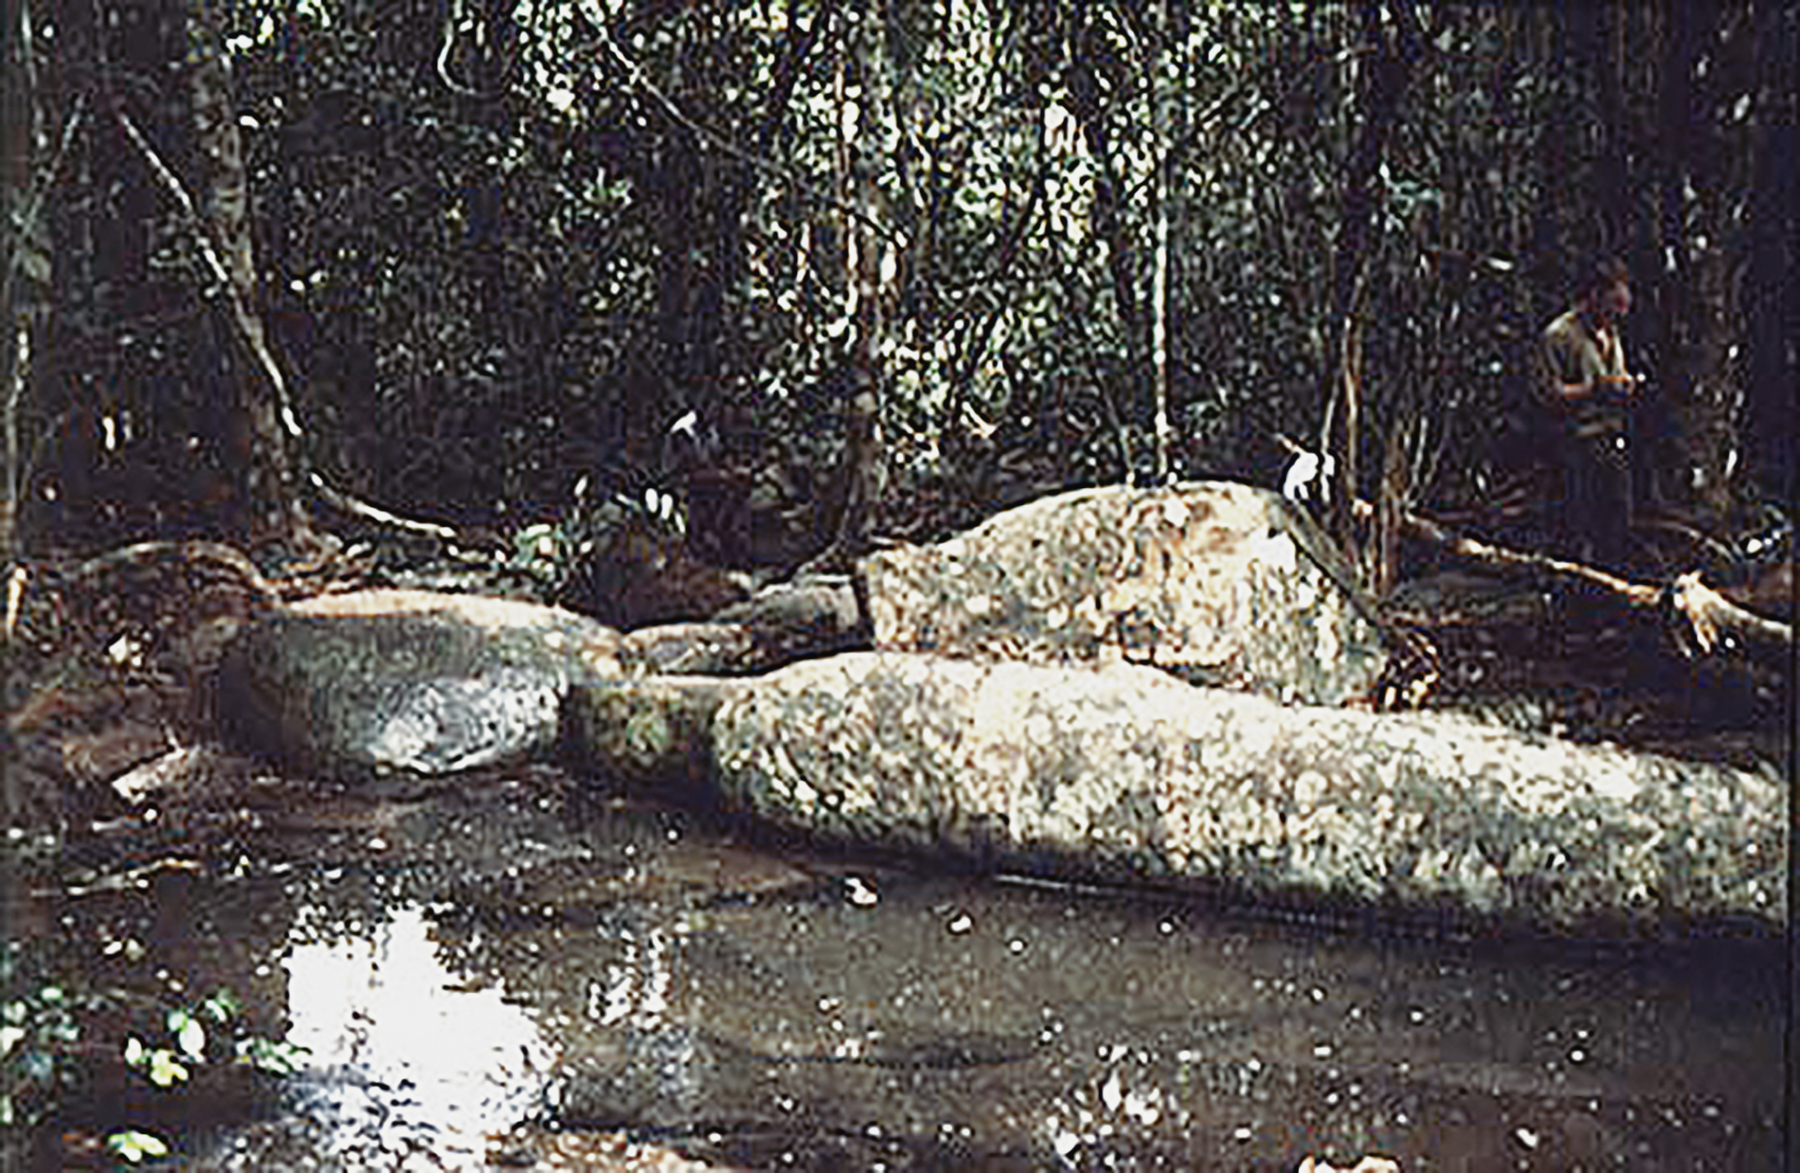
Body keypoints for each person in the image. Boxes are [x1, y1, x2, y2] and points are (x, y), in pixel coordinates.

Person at [1533, 254, 1645, 570]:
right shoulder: (1559, 336)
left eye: (1623, 307)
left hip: (1611, 441)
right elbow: (1546, 394)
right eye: (1613, 305)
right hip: (1573, 446)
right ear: (1594, 296)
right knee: (1573, 529)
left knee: (1617, 527)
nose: (1617, 315)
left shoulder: (1610, 331)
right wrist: (1595, 389)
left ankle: (1612, 599)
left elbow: (1613, 378)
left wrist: (1625, 387)